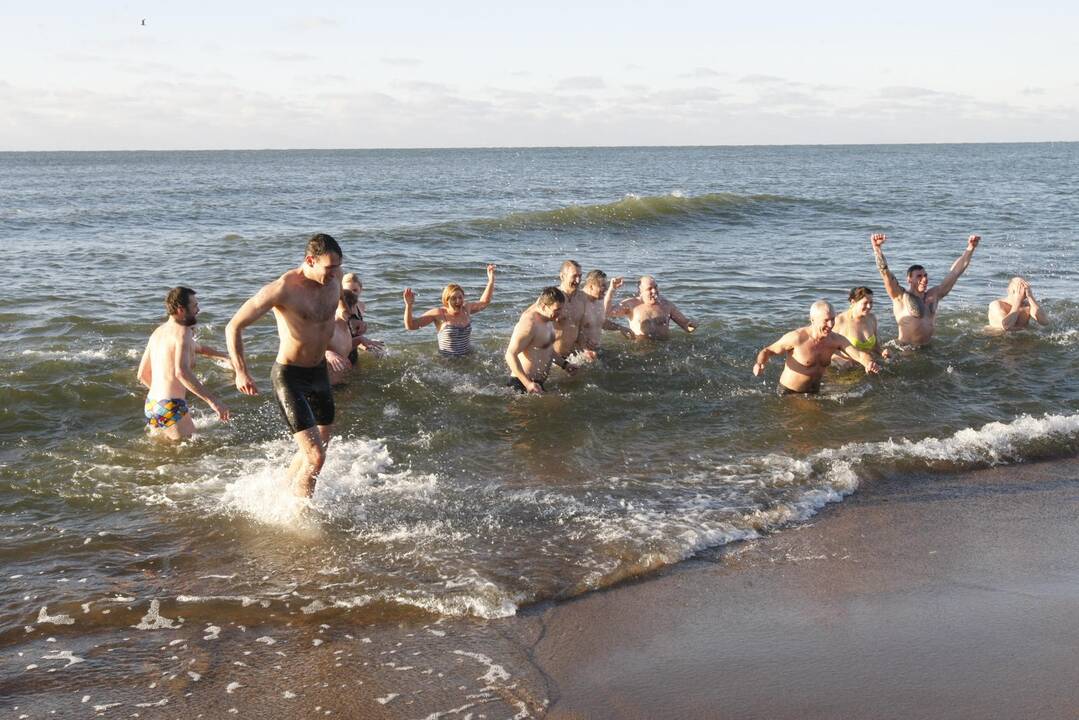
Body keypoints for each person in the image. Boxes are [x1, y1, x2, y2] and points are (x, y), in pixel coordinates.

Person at [226, 233, 343, 498]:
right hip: (290, 376)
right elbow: (234, 326)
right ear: (309, 260)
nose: (334, 274)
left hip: (319, 372)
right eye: (329, 268)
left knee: (319, 445)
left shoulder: (334, 275)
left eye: (337, 267)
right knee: (316, 457)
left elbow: (334, 306)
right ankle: (302, 515)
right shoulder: (283, 289)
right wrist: (241, 371)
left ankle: (286, 489)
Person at [137, 287, 231, 441]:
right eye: (194, 306)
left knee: (169, 457)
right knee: (195, 456)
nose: (198, 310)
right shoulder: (183, 331)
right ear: (181, 309)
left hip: (151, 405)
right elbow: (181, 372)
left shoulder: (158, 332)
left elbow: (142, 374)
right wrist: (214, 402)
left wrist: (226, 357)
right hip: (170, 406)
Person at [870, 232, 980, 346]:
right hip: (906, 350)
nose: (924, 279)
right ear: (909, 279)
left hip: (928, 348)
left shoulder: (934, 294)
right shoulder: (900, 297)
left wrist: (970, 248)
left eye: (925, 275)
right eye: (919, 276)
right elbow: (885, 273)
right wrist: (877, 248)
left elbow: (955, 272)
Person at [753, 300, 880, 394]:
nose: (831, 325)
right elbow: (768, 350)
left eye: (833, 319)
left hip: (815, 392)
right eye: (826, 320)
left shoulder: (835, 340)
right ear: (813, 320)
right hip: (789, 393)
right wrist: (759, 363)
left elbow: (859, 354)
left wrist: (869, 363)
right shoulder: (797, 338)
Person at [402, 264, 496, 357]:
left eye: (460, 297)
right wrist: (409, 305)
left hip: (468, 358)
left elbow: (484, 302)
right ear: (446, 300)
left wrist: (491, 281)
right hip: (448, 362)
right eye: (454, 298)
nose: (458, 301)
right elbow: (410, 326)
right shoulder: (439, 313)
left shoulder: (466, 308)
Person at [505, 287, 575, 394]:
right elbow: (510, 354)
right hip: (521, 384)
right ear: (543, 306)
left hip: (537, 384)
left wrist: (565, 365)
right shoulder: (529, 323)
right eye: (556, 310)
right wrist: (527, 384)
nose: (559, 314)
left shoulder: (548, 319)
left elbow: (547, 350)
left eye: (561, 309)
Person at [611, 275, 697, 339]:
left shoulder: (666, 305)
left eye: (656, 287)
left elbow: (686, 326)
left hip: (664, 347)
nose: (654, 291)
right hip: (640, 348)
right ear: (640, 292)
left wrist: (693, 325)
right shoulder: (631, 304)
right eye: (649, 288)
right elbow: (608, 312)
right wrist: (612, 289)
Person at [577, 270, 631, 358]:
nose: (605, 289)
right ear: (591, 286)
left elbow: (600, 322)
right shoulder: (578, 301)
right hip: (579, 353)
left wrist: (620, 327)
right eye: (602, 286)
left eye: (606, 286)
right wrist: (584, 346)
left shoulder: (599, 299)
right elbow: (570, 329)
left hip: (597, 349)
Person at [832, 286, 890, 367]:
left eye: (871, 302)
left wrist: (882, 352)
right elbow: (827, 348)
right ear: (853, 302)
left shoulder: (872, 318)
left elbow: (875, 346)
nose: (869, 306)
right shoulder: (840, 321)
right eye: (865, 303)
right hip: (848, 368)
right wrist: (840, 360)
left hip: (869, 364)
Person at [341, 273, 385, 357]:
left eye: (355, 290)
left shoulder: (361, 306)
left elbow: (355, 334)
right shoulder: (338, 310)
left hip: (353, 348)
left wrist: (368, 345)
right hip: (341, 351)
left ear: (361, 290)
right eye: (348, 291)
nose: (352, 294)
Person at [552, 260, 588, 358]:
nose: (578, 280)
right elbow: (532, 320)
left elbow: (579, 329)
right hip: (553, 358)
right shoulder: (551, 298)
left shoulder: (582, 298)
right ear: (562, 276)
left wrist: (586, 350)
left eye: (580, 276)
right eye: (574, 276)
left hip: (572, 357)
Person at [326, 290, 360, 385]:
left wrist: (361, 340)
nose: (351, 311)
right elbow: (310, 351)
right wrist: (328, 354)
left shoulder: (347, 326)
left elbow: (341, 346)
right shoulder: (329, 328)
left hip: (342, 381)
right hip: (327, 385)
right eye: (347, 306)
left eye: (353, 306)